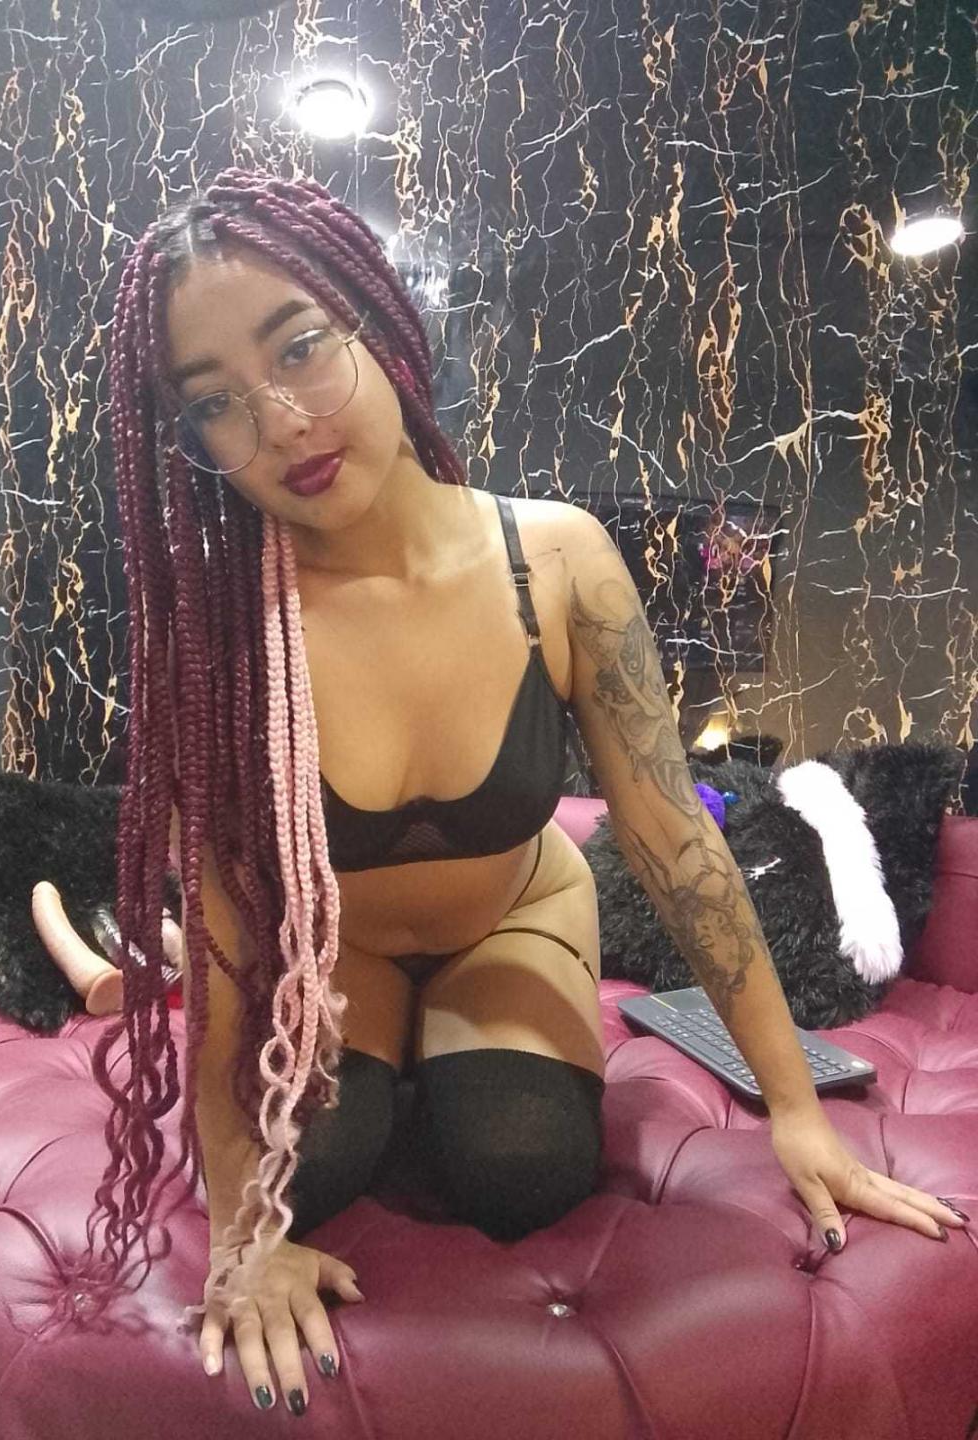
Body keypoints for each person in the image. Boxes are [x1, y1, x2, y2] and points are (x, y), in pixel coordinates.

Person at [55, 167, 967, 1418]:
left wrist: (796, 1111)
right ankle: (363, 1034)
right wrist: (240, 1239)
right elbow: (223, 948)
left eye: (300, 347)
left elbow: (675, 845)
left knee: (520, 1159)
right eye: (214, 401)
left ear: (375, 318)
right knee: (305, 1168)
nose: (279, 422)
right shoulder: (222, 636)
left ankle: (446, 1042)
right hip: (339, 948)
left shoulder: (558, 562)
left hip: (514, 913)